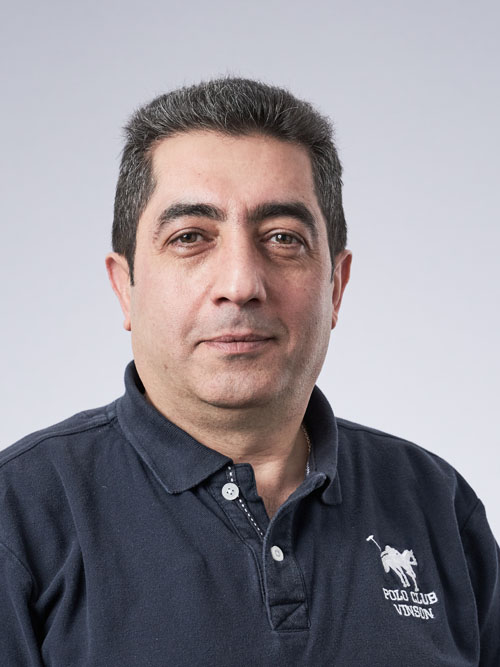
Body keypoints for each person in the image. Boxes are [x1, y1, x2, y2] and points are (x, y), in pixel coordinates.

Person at [0, 78, 498, 666]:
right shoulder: (19, 518)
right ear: (124, 287)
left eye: (282, 238)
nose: (240, 284)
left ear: (336, 287)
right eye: (190, 237)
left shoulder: (437, 505)